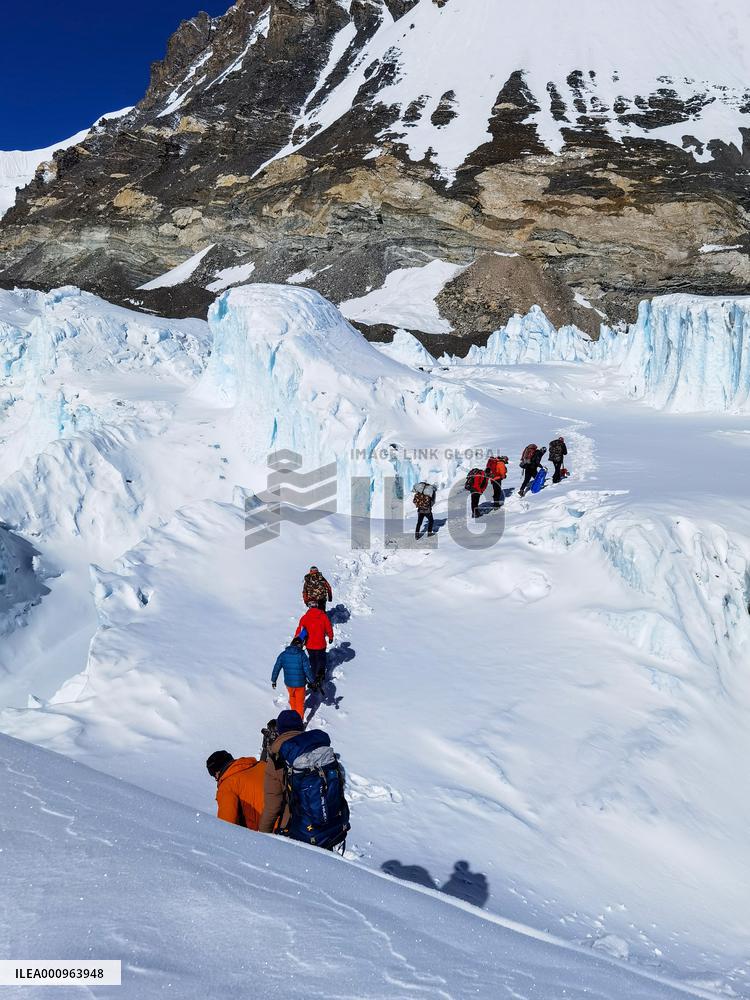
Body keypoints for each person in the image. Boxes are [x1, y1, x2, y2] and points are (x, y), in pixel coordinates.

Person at [259, 709, 350, 850]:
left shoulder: (277, 759)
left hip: (298, 830)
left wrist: (261, 837)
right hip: (329, 826)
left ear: (280, 731)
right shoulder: (317, 749)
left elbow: (273, 806)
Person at [206, 749, 265, 830]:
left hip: (271, 833)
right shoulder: (261, 765)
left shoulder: (227, 785)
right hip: (286, 820)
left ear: (217, 772)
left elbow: (226, 826)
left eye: (214, 775)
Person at [271, 636, 315, 717]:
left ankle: (293, 717)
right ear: (300, 645)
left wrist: (274, 680)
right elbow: (307, 670)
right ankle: (298, 723)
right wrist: (312, 681)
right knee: (300, 704)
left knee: (292, 698)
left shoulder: (283, 655)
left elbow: (276, 667)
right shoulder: (302, 655)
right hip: (300, 684)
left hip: (289, 684)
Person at [295, 602, 334, 690]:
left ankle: (313, 677)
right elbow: (328, 627)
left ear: (309, 607)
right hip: (321, 644)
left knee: (312, 660)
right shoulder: (323, 616)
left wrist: (297, 641)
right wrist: (331, 636)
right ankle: (321, 674)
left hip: (310, 645)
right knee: (321, 658)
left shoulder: (305, 618)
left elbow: (300, 630)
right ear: (317, 606)